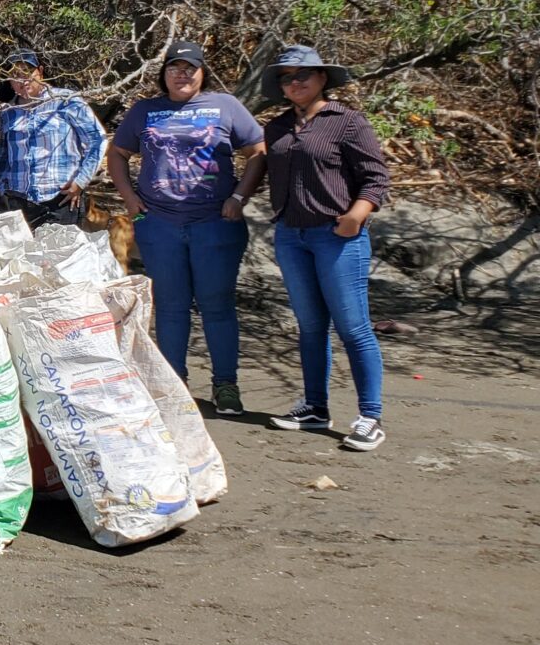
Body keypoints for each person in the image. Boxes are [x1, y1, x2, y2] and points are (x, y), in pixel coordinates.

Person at [107, 41, 267, 416]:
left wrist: (240, 198)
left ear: (203, 73)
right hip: (160, 224)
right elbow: (117, 153)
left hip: (216, 224)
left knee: (217, 306)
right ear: (163, 74)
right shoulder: (147, 111)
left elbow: (258, 152)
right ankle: (173, 384)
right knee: (171, 306)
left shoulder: (225, 106)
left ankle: (226, 384)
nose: (183, 74)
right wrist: (131, 200)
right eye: (175, 68)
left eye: (191, 67)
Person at [259, 45, 392, 452]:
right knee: (311, 326)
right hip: (290, 235)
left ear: (323, 79)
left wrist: (356, 215)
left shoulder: (348, 122)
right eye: (286, 77)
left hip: (337, 237)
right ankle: (315, 407)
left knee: (354, 327)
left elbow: (375, 177)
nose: (294, 83)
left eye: (303, 75)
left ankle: (370, 416)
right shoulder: (277, 127)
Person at [0, 49, 107, 228]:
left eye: (27, 72)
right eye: (15, 75)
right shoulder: (8, 112)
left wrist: (81, 181)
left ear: (40, 71)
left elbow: (97, 139)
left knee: (59, 254)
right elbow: (3, 154)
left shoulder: (66, 101)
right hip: (18, 201)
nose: (22, 80)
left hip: (59, 198)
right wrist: (2, 187)